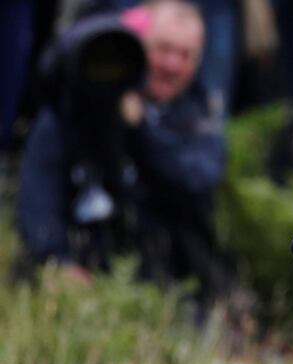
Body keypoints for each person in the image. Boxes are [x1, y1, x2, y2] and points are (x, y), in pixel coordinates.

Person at [17, 0, 232, 302]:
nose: (173, 65)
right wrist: (56, 259)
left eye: (185, 55)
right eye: (164, 49)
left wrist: (140, 127)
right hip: (85, 272)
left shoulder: (196, 115)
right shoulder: (82, 104)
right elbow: (39, 186)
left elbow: (197, 180)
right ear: (138, 44)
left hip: (165, 284)